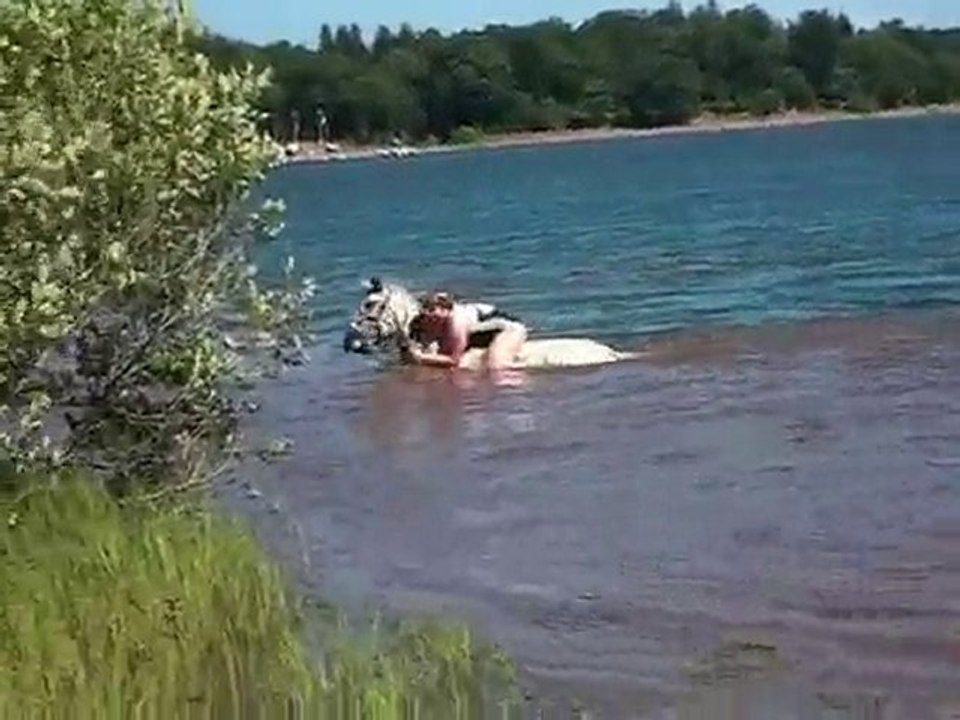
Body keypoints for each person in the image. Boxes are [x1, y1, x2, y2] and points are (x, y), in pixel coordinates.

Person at [403, 291, 527, 370]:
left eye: (432, 310)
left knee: (496, 366)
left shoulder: (457, 321)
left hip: (509, 329)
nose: (429, 315)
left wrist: (420, 357)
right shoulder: (424, 321)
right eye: (425, 310)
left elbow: (453, 360)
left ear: (445, 310)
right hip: (481, 333)